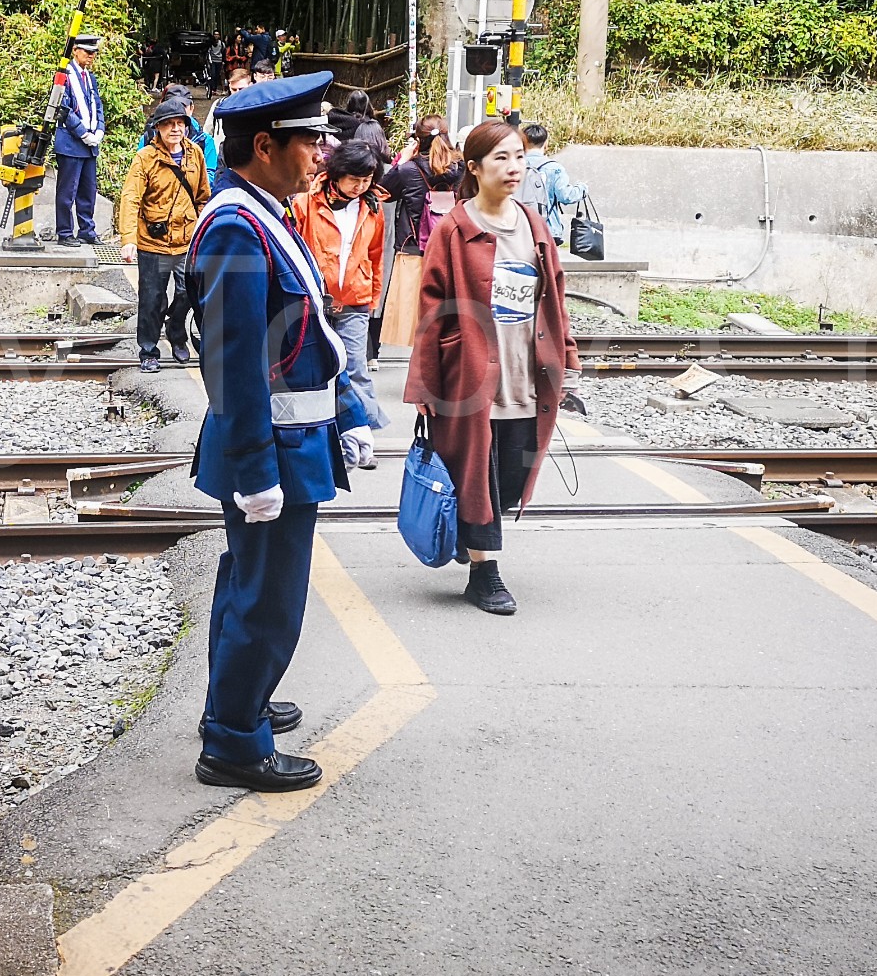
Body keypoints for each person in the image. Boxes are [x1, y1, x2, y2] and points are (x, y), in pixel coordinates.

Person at [187, 70, 374, 792]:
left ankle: (237, 704)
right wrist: (255, 471)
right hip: (271, 454)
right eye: (311, 142)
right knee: (268, 600)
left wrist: (350, 414)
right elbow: (233, 364)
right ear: (265, 145)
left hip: (290, 444)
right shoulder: (238, 224)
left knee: (251, 586)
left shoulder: (261, 210)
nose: (322, 155)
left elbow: (307, 334)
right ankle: (234, 742)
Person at [405, 119, 582, 617]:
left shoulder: (533, 223)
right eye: (501, 158)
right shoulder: (455, 227)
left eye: (519, 157)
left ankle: (473, 534)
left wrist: (567, 358)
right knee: (477, 473)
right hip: (470, 374)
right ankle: (485, 574)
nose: (513, 168)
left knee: (510, 471)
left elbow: (556, 299)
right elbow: (431, 307)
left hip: (528, 372)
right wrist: (425, 381)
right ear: (475, 168)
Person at [290, 139, 388, 442]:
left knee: (356, 366)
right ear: (336, 173)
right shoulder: (306, 201)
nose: (360, 186)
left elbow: (376, 253)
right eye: (354, 179)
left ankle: (363, 432)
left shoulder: (372, 208)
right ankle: (317, 430)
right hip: (315, 299)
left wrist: (373, 296)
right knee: (315, 364)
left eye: (367, 180)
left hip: (355, 298)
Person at [118, 95, 210, 372]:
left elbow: (204, 196)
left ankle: (177, 335)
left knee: (187, 295)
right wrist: (128, 240)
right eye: (168, 124)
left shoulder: (196, 154)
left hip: (187, 240)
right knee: (152, 299)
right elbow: (130, 198)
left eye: (180, 123)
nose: (175, 129)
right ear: (157, 128)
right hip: (153, 242)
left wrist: (205, 231)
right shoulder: (145, 158)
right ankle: (148, 350)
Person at [378, 118, 462, 347]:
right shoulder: (460, 168)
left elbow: (382, 192)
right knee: (447, 316)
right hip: (450, 248)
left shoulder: (407, 170)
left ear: (418, 140)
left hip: (413, 247)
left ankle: (421, 369)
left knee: (413, 318)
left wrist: (401, 160)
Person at [52, 34, 107, 248]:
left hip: (90, 143)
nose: (91, 56)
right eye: (87, 52)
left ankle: (87, 230)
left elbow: (97, 106)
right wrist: (83, 132)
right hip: (70, 142)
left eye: (94, 53)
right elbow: (62, 108)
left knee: (88, 190)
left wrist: (100, 129)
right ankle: (65, 231)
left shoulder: (89, 77)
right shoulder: (64, 75)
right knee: (68, 191)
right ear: (75, 50)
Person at [520, 123, 588, 244]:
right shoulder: (554, 168)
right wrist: (582, 189)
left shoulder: (513, 166)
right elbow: (566, 196)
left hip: (519, 229)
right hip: (547, 230)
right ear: (546, 144)